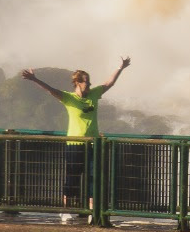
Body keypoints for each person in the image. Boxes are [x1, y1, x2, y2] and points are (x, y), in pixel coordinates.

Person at [21, 58, 130, 214]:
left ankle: (92, 212)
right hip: (74, 144)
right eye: (86, 82)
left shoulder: (94, 94)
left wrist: (121, 67)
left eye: (90, 82)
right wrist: (34, 79)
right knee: (72, 178)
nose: (89, 85)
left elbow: (108, 83)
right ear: (77, 83)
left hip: (93, 143)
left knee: (94, 177)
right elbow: (51, 90)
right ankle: (66, 211)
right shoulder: (69, 98)